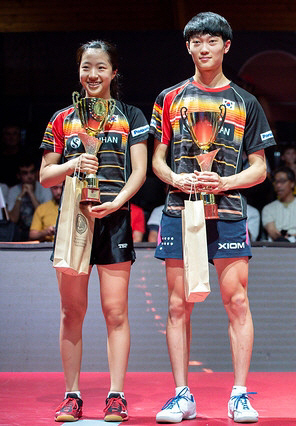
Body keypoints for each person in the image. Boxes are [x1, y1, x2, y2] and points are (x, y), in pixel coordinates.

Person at [150, 12, 275, 424]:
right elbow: (157, 162)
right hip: (178, 211)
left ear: (227, 46)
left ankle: (239, 394)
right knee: (177, 305)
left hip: (228, 211)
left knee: (236, 301)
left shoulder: (246, 102)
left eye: (212, 41)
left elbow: (259, 169)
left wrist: (223, 183)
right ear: (188, 47)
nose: (204, 49)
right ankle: (182, 395)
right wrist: (177, 178)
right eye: (197, 42)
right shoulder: (169, 98)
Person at [39, 40, 148, 422]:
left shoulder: (130, 115)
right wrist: (71, 164)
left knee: (115, 312)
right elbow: (44, 174)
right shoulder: (62, 119)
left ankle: (116, 395)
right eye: (87, 67)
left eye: (101, 67)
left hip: (114, 219)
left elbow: (140, 171)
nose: (93, 75)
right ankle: (72, 395)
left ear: (113, 72)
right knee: (72, 312)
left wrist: (118, 204)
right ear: (79, 71)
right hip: (75, 222)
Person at [262, 167, 296, 242]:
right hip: (277, 246)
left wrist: (291, 237)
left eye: (282, 181)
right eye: (276, 182)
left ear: (292, 184)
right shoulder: (268, 208)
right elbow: (272, 233)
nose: (278, 185)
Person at [7, 157, 52, 241]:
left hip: (40, 231)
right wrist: (20, 196)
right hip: (19, 232)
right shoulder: (13, 191)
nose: (29, 176)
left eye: (31, 172)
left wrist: (31, 195)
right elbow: (13, 219)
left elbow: (45, 216)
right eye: (25, 173)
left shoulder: (44, 188)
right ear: (18, 175)